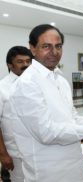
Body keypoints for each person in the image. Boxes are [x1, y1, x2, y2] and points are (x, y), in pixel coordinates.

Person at [8, 24, 83, 182]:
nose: (54, 52)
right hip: (47, 172)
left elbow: (73, 117)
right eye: (46, 46)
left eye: (58, 46)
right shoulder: (27, 84)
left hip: (73, 165)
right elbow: (46, 132)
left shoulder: (60, 79)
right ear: (32, 48)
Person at [0, 46, 32, 182]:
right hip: (15, 154)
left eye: (28, 61)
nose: (25, 65)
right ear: (9, 65)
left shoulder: (33, 85)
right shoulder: (2, 88)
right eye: (20, 61)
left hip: (35, 150)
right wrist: (3, 154)